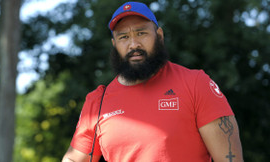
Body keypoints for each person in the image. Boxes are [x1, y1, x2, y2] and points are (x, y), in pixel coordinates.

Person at [62, 2, 243, 162]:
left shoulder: (195, 83)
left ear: (159, 35)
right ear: (114, 44)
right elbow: (74, 158)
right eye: (123, 37)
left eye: (141, 33)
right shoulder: (98, 102)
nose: (133, 44)